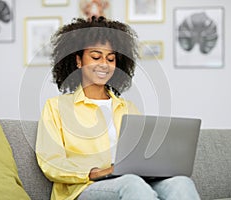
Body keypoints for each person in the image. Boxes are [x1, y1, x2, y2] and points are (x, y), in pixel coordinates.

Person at [36, 16, 201, 200]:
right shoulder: (56, 107)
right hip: (83, 188)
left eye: (111, 58)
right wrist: (94, 172)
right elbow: (51, 162)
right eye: (96, 56)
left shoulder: (128, 108)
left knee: (181, 183)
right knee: (131, 184)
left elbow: (142, 157)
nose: (104, 64)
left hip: (131, 180)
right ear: (79, 61)